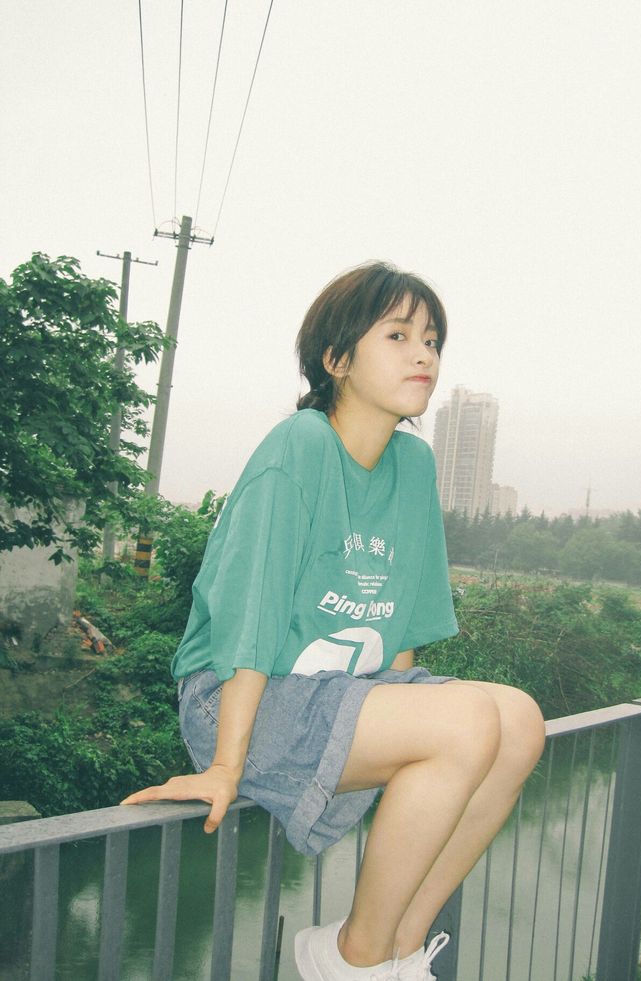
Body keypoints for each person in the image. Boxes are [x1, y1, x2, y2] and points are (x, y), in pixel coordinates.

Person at [122, 262, 546, 981]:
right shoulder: (301, 446)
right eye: (399, 334)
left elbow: (403, 623)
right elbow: (250, 612)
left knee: (518, 721)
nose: (424, 355)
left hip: (348, 695)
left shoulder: (412, 466)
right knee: (469, 718)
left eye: (433, 340)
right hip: (241, 696)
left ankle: (395, 949)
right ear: (337, 359)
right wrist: (225, 764)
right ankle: (353, 960)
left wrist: (418, 743)